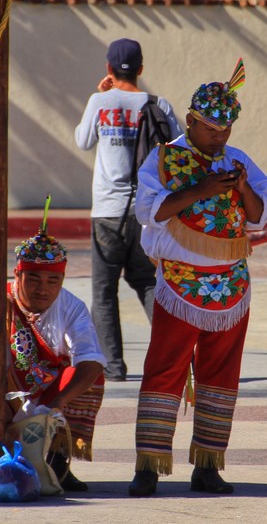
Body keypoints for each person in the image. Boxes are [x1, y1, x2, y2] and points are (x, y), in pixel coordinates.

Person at [127, 60, 267, 497]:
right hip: (181, 285)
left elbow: (258, 217)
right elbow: (149, 211)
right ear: (190, 121)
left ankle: (208, 464)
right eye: (211, 129)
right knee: (164, 371)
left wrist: (242, 186)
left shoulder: (237, 158)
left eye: (226, 130)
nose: (220, 138)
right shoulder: (165, 158)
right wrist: (201, 191)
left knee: (221, 375)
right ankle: (149, 464)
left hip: (231, 287)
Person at [74, 38, 183, 382]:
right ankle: (175, 359)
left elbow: (83, 140)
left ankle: (113, 366)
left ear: (108, 68)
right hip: (146, 213)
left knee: (104, 292)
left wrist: (100, 95)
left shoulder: (99, 101)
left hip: (107, 211)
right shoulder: (158, 103)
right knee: (148, 283)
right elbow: (179, 148)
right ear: (141, 69)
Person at [6, 214, 107, 492]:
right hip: (4, 386)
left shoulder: (71, 306)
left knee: (91, 377)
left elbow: (91, 358)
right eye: (34, 279)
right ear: (18, 274)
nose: (43, 289)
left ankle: (59, 461)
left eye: (53, 281)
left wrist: (59, 402)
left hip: (49, 388)